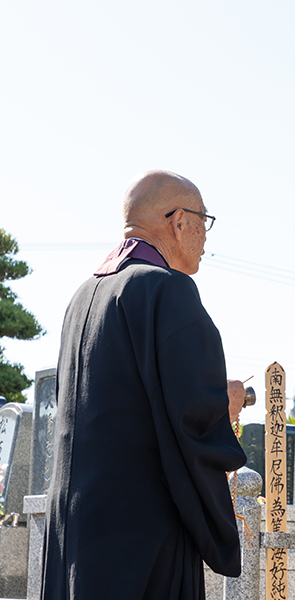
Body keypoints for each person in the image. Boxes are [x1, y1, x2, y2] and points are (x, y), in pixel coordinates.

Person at [41, 171, 248, 600]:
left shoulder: (83, 296)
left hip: (73, 528)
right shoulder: (166, 289)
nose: (205, 237)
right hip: (140, 531)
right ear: (177, 220)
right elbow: (190, 415)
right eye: (203, 221)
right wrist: (223, 404)